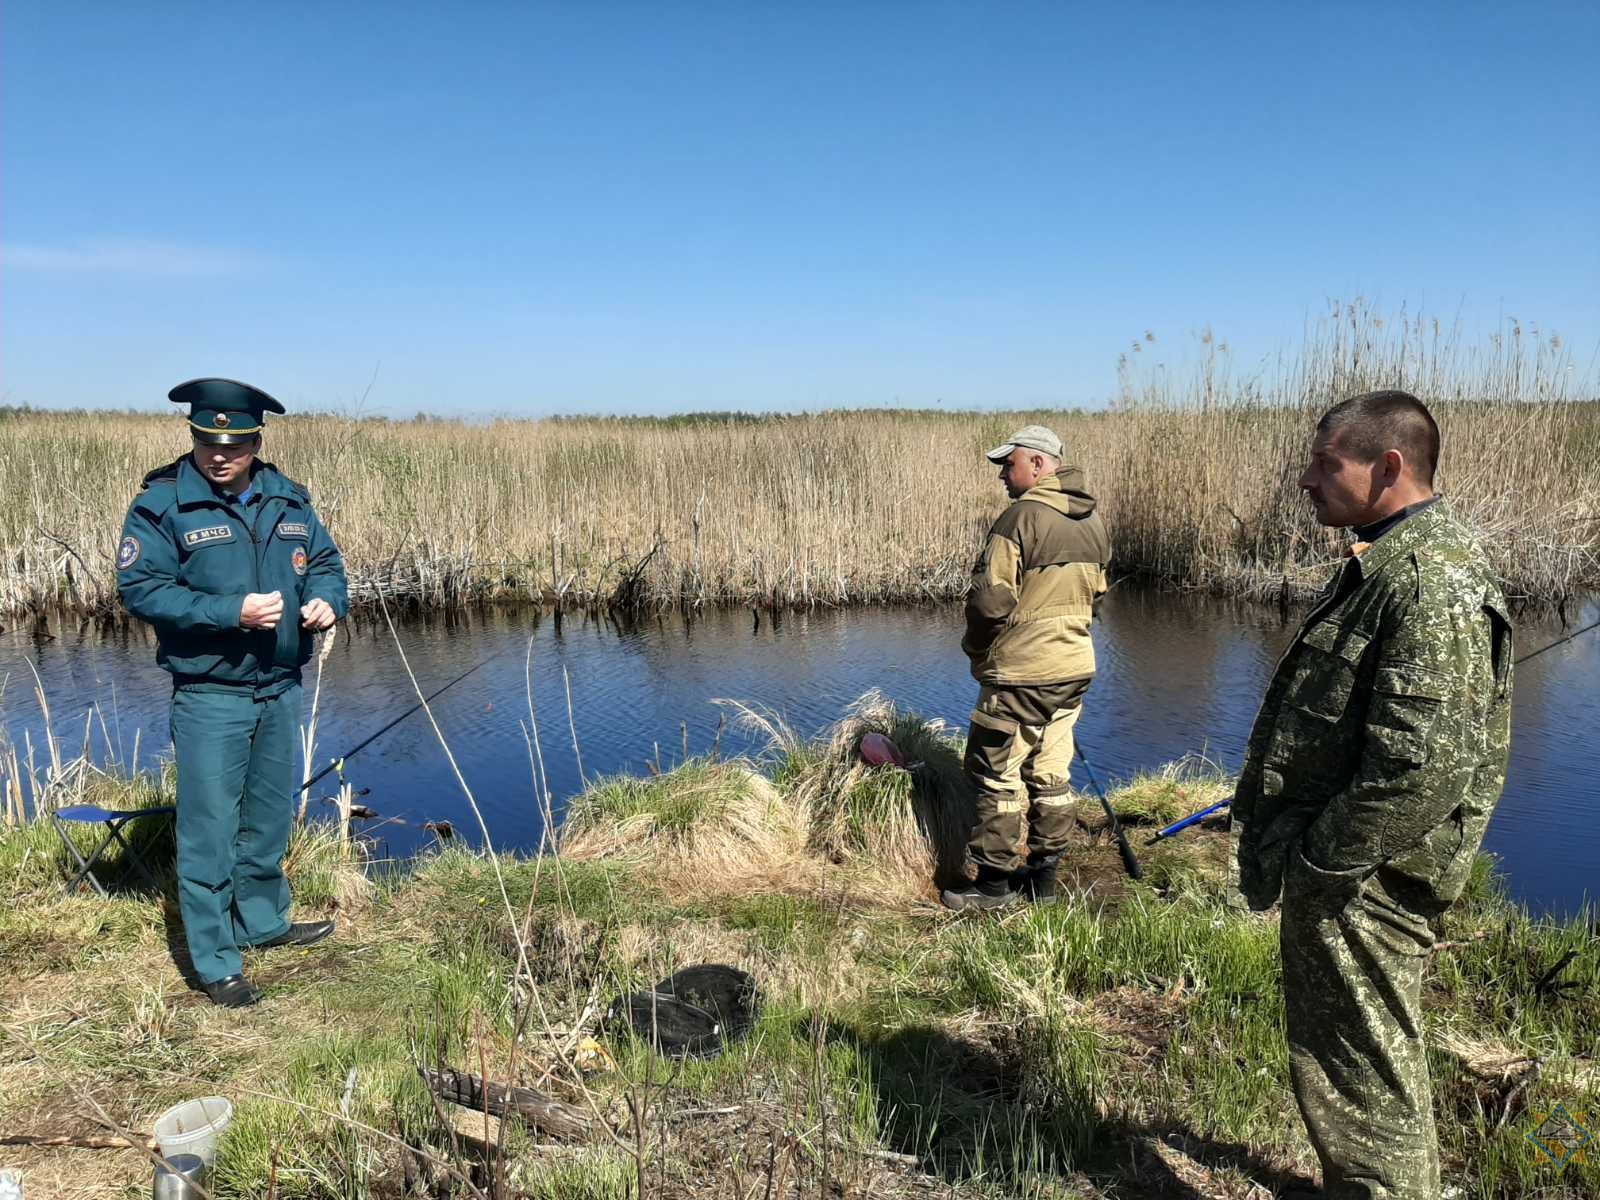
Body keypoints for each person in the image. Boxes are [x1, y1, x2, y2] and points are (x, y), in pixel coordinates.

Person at [1232, 390, 1513, 1198]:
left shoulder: (1432, 580)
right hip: (1357, 875)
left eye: (1327, 464)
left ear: (1388, 467)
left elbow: (1419, 770)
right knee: (1360, 1065)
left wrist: (1322, 861)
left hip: (1369, 883)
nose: (1307, 481)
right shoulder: (1388, 559)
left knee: (1364, 1080)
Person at [116, 378, 350, 1007]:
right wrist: (231, 613)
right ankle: (216, 961)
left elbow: (326, 563)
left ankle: (264, 923)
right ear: (193, 435)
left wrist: (329, 600)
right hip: (210, 693)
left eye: (235, 443)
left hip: (280, 686)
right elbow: (142, 589)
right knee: (209, 830)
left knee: (268, 819)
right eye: (206, 440)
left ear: (255, 439)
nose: (219, 454)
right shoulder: (163, 505)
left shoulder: (288, 499)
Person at [942, 425, 1112, 910]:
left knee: (996, 772)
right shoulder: (1093, 521)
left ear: (1038, 465)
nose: (1001, 474)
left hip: (1023, 672)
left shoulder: (1019, 519)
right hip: (1075, 667)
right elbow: (1097, 598)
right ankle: (1043, 880)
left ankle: (992, 886)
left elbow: (990, 602)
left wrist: (978, 653)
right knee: (1051, 772)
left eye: (1008, 463)